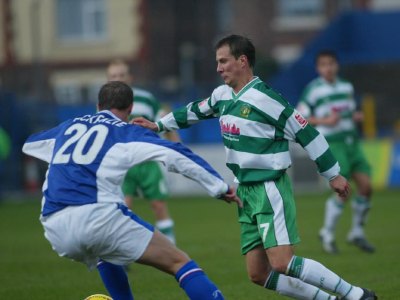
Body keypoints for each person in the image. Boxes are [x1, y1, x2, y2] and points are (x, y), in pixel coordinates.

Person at [133, 35, 377, 300]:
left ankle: (355, 295)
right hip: (245, 192)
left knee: (282, 262)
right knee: (258, 274)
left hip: (269, 186)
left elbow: (307, 133)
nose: (218, 68)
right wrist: (159, 125)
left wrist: (333, 174)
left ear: (242, 61)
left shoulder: (266, 99)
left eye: (223, 61)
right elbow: (194, 110)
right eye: (217, 62)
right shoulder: (222, 95)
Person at [22, 81, 242, 300]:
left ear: (98, 105)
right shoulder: (126, 132)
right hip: (96, 217)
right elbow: (177, 154)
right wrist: (219, 187)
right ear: (130, 109)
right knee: (179, 262)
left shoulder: (67, 127)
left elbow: (31, 144)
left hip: (54, 225)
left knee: (106, 253)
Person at [297, 50, 375, 254]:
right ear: (318, 68)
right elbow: (300, 118)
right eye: (323, 64)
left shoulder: (346, 86)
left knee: (366, 186)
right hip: (332, 144)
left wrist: (355, 116)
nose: (328, 68)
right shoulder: (313, 90)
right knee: (344, 189)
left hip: (352, 142)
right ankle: (328, 233)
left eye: (331, 63)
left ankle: (356, 232)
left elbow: (347, 112)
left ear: (337, 65)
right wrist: (325, 121)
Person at [107, 59, 179, 243]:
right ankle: (123, 252)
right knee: (123, 207)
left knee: (158, 205)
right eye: (114, 76)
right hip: (122, 165)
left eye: (121, 75)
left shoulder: (146, 99)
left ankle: (171, 249)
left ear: (130, 77)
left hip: (147, 161)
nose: (118, 79)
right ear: (107, 80)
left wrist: (176, 147)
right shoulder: (104, 104)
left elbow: (164, 121)